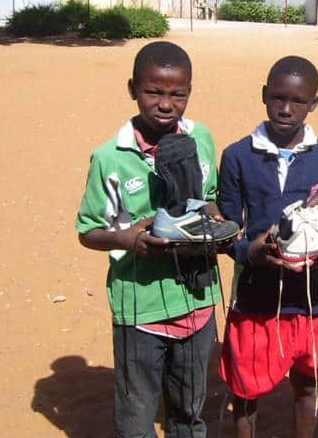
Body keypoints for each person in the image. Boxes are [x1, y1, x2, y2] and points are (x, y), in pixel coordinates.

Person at [76, 41, 224, 438]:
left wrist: (218, 227)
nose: (166, 104)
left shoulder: (202, 139)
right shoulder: (110, 157)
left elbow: (209, 201)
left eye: (178, 94)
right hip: (139, 307)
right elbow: (88, 231)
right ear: (133, 89)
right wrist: (129, 239)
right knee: (137, 415)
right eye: (153, 92)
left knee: (189, 412)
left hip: (198, 301)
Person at [217, 56, 318, 438]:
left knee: (307, 384)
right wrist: (249, 252)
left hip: (311, 299)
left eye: (298, 101)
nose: (286, 109)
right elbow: (225, 230)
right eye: (277, 98)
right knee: (245, 389)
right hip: (255, 296)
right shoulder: (237, 155)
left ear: (314, 103)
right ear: (263, 95)